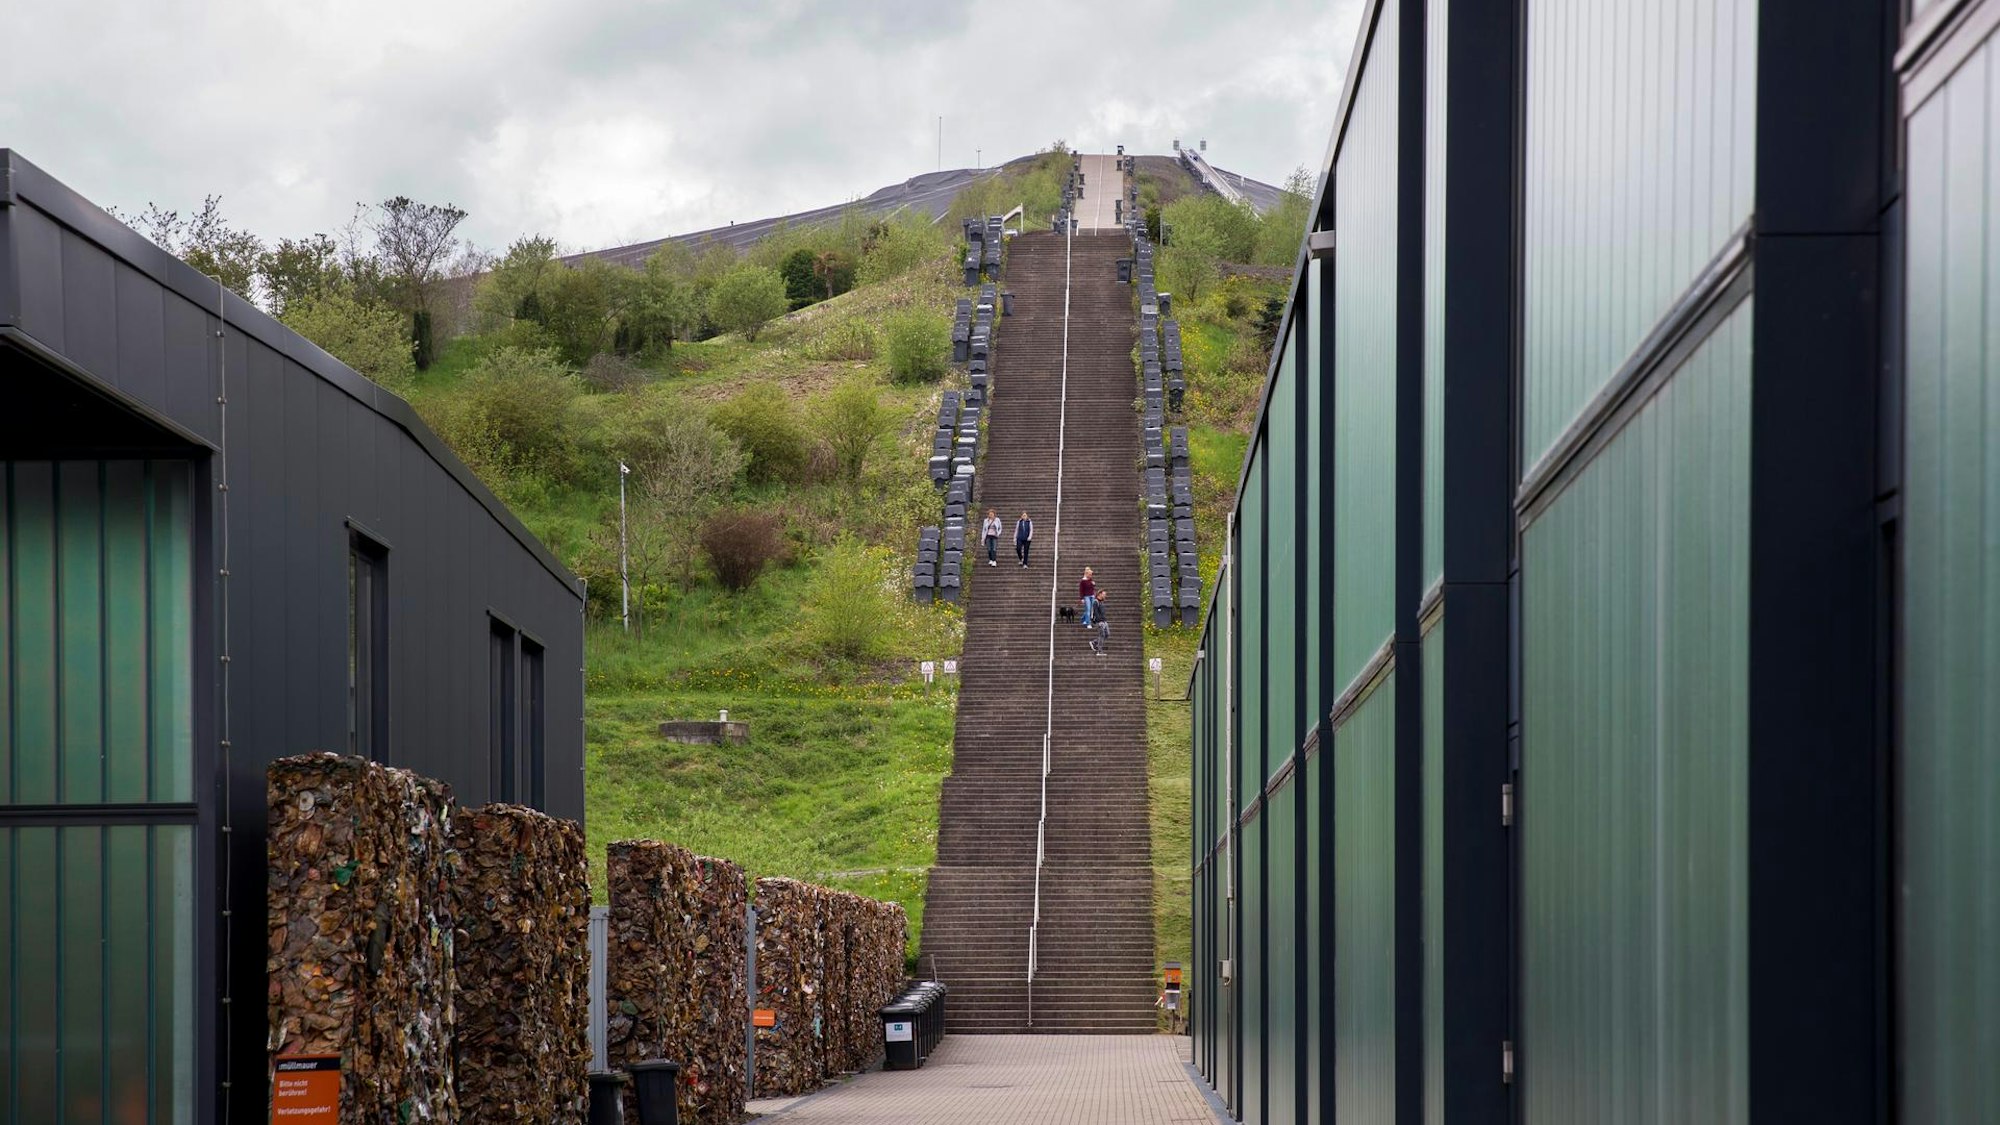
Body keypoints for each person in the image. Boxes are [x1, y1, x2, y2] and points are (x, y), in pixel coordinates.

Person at [1090, 591, 1111, 656]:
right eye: (1104, 594)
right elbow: (1095, 613)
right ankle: (1099, 651)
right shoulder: (1095, 602)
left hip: (1104, 621)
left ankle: (1094, 642)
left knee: (1107, 634)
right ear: (1099, 594)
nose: (1105, 595)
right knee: (1102, 635)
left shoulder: (1101, 602)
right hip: (1099, 621)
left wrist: (1104, 620)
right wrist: (1099, 622)